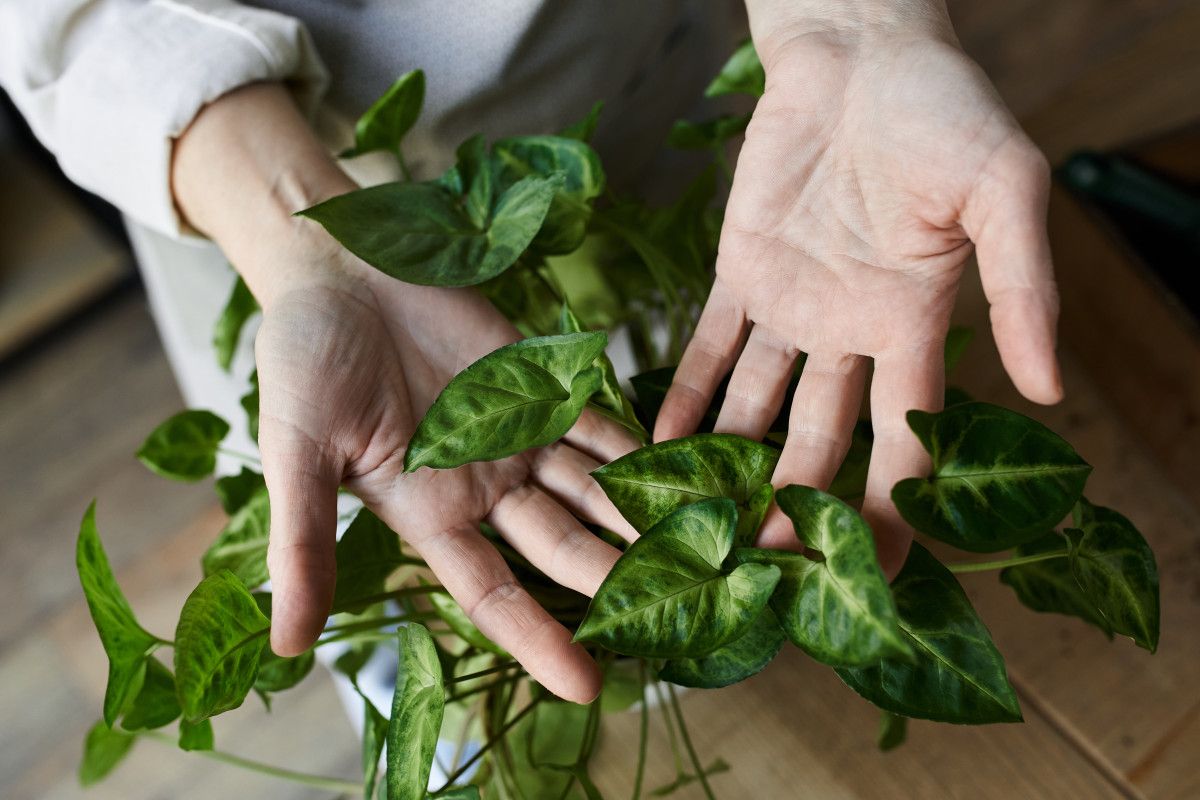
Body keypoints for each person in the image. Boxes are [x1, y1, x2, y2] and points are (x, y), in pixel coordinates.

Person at [0, 0, 1061, 705]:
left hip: (628, 62)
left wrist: (854, 27)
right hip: (236, 162)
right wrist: (299, 235)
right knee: (378, 543)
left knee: (697, 377)